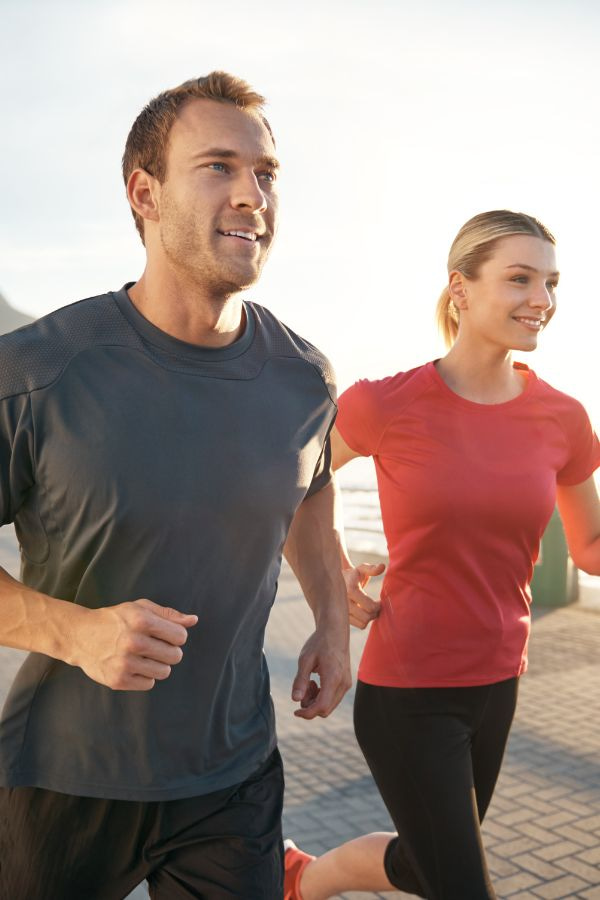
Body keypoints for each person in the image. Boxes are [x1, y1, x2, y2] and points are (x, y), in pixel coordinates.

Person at [0, 72, 351, 899]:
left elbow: (310, 491)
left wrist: (333, 625)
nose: (252, 194)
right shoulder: (40, 372)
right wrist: (73, 632)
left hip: (234, 779)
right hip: (62, 782)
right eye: (219, 167)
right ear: (144, 193)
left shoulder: (304, 378)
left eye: (266, 173)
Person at [284, 210, 600, 900]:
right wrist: (333, 575)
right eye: (519, 278)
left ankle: (301, 881)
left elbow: (592, 549)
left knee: (428, 868)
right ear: (460, 289)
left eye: (551, 281)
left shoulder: (565, 420)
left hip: (498, 682)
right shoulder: (386, 404)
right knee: (460, 885)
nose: (541, 299)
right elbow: (294, 484)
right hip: (408, 693)